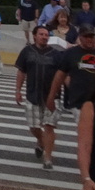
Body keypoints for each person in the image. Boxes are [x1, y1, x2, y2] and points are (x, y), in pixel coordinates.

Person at [14, 25, 60, 169]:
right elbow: (21, 71)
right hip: (32, 94)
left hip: (52, 97)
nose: (44, 37)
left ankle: (48, 158)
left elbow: (62, 75)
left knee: (49, 126)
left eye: (46, 35)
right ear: (35, 36)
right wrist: (17, 90)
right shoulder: (27, 51)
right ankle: (41, 141)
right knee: (34, 126)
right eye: (41, 34)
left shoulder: (56, 54)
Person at [48, 28, 95, 131]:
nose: (89, 39)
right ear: (80, 37)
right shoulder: (71, 54)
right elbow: (60, 76)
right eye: (86, 37)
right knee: (86, 132)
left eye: (91, 36)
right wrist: (51, 97)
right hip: (80, 102)